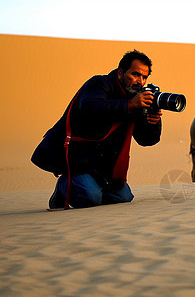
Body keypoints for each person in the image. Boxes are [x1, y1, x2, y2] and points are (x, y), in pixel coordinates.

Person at [35, 50, 162, 209]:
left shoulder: (135, 97)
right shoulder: (99, 83)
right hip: (80, 159)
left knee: (124, 197)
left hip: (107, 168)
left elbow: (146, 140)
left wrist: (153, 121)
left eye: (144, 77)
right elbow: (90, 108)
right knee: (91, 197)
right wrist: (129, 105)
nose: (140, 81)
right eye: (135, 74)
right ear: (120, 72)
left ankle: (88, 187)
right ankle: (64, 186)